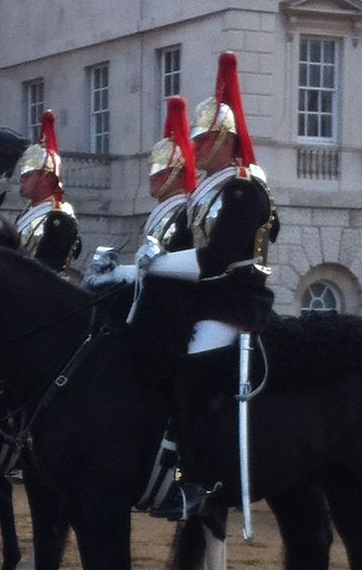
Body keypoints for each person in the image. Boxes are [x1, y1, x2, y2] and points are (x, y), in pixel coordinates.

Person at [88, 55, 279, 519]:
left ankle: (195, 479)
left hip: (233, 302)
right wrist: (124, 273)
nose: (197, 146)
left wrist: (155, 262)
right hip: (202, 301)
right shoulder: (207, 194)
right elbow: (171, 260)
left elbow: (216, 259)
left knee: (188, 370)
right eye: (195, 139)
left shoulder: (242, 190)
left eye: (205, 138)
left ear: (227, 139)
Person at [15, 110, 82, 273]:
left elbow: (52, 263)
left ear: (46, 178)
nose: (21, 180)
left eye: (28, 176)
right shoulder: (25, 213)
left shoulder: (60, 216)